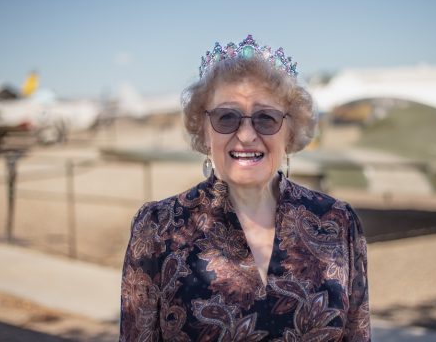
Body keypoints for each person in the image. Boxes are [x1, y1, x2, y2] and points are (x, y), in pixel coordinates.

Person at [120, 35, 370, 341]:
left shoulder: (339, 222)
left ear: (290, 132)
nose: (247, 135)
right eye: (228, 117)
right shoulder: (157, 228)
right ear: (204, 129)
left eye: (266, 118)